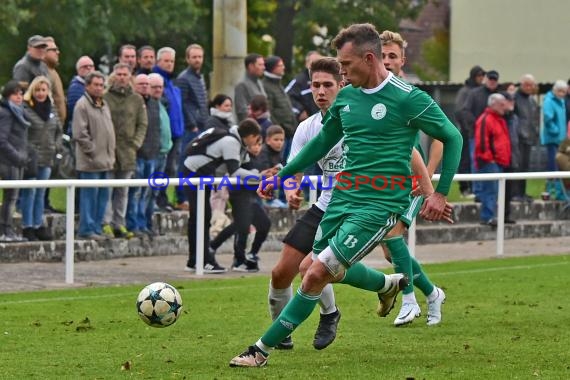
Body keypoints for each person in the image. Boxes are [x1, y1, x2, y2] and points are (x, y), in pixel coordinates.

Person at [230, 23, 462, 367]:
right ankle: (386, 286)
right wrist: (285, 172)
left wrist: (438, 194)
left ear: (370, 59)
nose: (342, 72)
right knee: (311, 265)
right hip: (342, 198)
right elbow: (323, 142)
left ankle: (260, 350)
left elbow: (453, 136)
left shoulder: (407, 97)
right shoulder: (349, 97)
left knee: (314, 273)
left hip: (381, 204)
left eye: (347, 65)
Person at [264, 57, 345, 351]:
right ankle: (281, 334)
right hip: (325, 204)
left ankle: (330, 313)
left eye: (327, 85)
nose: (320, 91)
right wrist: (290, 190)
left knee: (309, 267)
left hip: (355, 207)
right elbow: (295, 168)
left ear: (342, 85)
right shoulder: (307, 127)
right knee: (280, 273)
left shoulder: (357, 120)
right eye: (315, 85)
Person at [379, 29, 446, 327]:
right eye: (382, 56)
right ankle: (432, 293)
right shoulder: (370, 96)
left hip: (410, 183)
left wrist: (427, 179)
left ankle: (409, 300)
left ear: (402, 60)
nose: (387, 60)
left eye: (392, 56)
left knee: (393, 236)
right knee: (389, 249)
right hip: (383, 183)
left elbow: (441, 138)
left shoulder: (410, 96)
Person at [182, 118, 266, 274]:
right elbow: (235, 171)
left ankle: (196, 260)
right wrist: (259, 177)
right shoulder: (231, 142)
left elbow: (246, 166)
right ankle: (202, 261)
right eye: (256, 138)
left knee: (200, 218)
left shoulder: (235, 141)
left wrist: (259, 174)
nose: (256, 142)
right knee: (200, 217)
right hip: (194, 173)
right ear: (249, 136)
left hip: (201, 174)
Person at [102, 63, 148, 239]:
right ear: (114, 76)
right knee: (107, 189)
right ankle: (106, 223)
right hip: (109, 151)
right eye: (119, 74)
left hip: (128, 151)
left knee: (123, 190)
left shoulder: (136, 99)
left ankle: (118, 223)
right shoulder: (106, 97)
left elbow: (142, 123)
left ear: (130, 77)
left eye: (125, 74)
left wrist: (136, 143)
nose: (121, 77)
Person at [72, 71, 116, 240]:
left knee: (103, 198)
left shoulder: (104, 104)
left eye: (101, 85)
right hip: (90, 162)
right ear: (87, 86)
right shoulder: (82, 105)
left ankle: (97, 227)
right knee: (89, 197)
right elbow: (80, 134)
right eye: (95, 85)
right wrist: (93, 151)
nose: (99, 88)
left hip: (106, 161)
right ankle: (87, 228)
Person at [21, 76, 62, 241]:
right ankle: (27, 226)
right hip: (31, 158)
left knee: (40, 193)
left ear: (48, 92)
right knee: (29, 193)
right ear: (32, 91)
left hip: (47, 157)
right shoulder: (25, 109)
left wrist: (56, 147)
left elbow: (58, 131)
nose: (40, 93)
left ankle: (38, 225)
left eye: (43, 90)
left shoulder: (52, 110)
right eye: (37, 90)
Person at [474, 93, 511, 226]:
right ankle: (487, 217)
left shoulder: (499, 119)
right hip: (490, 162)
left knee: (494, 191)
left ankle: (491, 216)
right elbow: (482, 143)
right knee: (489, 190)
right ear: (493, 104)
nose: (504, 106)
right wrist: (490, 159)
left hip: (498, 161)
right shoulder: (486, 119)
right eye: (501, 104)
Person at [0, 80, 30, 242]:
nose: (19, 97)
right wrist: (17, 157)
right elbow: (2, 140)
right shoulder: (6, 112)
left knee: (12, 197)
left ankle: (8, 230)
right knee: (10, 197)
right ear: (7, 96)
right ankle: (5, 231)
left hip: (18, 161)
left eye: (20, 94)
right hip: (9, 162)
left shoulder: (19, 112)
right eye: (15, 94)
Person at [453, 65, 486, 198]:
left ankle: (474, 187)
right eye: (479, 76)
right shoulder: (465, 91)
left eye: (483, 76)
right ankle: (464, 188)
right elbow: (460, 111)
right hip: (467, 132)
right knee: (465, 160)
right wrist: (468, 127)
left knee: (475, 160)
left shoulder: (480, 91)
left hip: (478, 133)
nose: (481, 78)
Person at [513, 74, 539, 202]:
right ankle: (516, 193)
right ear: (521, 84)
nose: (529, 87)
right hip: (518, 138)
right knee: (517, 166)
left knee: (525, 167)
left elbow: (534, 119)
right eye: (526, 84)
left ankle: (522, 193)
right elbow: (513, 119)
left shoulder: (532, 101)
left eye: (531, 85)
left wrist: (535, 133)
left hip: (528, 137)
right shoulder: (514, 98)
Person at [541, 80, 568, 200]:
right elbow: (548, 118)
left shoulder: (561, 101)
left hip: (561, 138)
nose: (562, 94)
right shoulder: (549, 101)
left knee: (559, 165)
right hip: (553, 138)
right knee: (553, 165)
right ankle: (551, 190)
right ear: (555, 90)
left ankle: (559, 190)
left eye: (564, 91)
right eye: (560, 91)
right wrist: (556, 131)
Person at [234, 53, 266, 122]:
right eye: (260, 65)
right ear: (251, 66)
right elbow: (242, 112)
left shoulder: (259, 82)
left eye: (263, 64)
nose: (263, 67)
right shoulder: (242, 85)